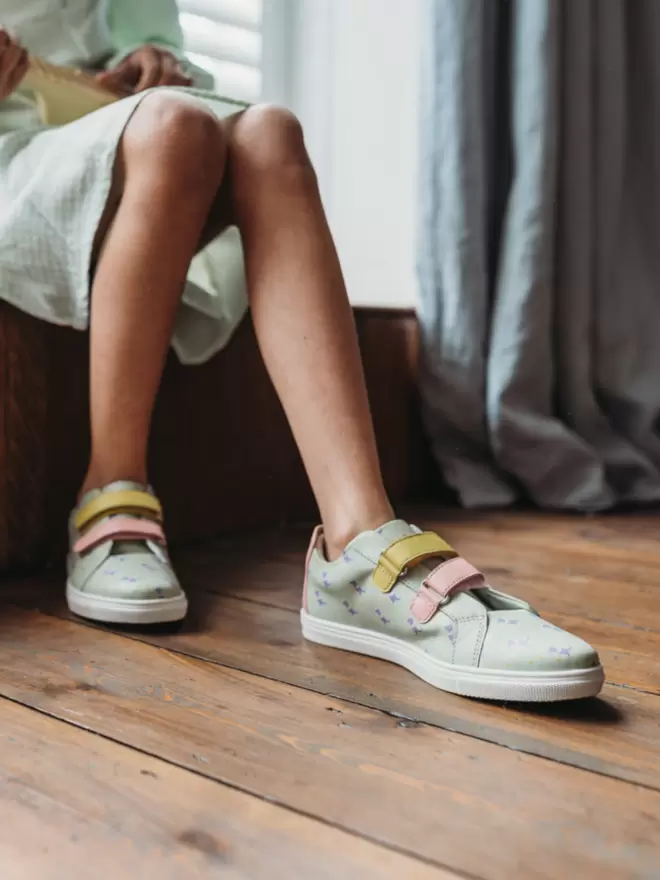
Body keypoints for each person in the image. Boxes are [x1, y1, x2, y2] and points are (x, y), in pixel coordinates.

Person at [0, 0, 604, 703]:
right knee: (176, 125)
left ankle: (357, 543)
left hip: (114, 139)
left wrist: (159, 64)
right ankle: (110, 492)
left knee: (267, 131)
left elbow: (156, 48)